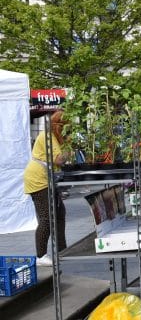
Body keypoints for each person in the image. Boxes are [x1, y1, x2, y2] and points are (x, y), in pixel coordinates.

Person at [23, 110, 70, 266]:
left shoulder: (52, 135)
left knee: (60, 213)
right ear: (59, 126)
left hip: (47, 178)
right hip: (38, 179)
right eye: (66, 128)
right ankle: (40, 256)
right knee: (47, 218)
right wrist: (70, 147)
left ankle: (62, 250)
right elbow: (59, 160)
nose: (67, 131)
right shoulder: (48, 136)